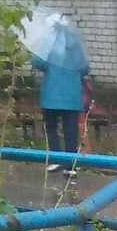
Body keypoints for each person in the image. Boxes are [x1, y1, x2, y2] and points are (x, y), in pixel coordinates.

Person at [30, 15, 90, 173]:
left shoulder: (48, 43)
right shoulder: (75, 45)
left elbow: (37, 62)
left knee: (51, 127)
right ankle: (70, 166)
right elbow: (85, 69)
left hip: (51, 96)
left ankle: (56, 159)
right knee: (71, 130)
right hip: (72, 97)